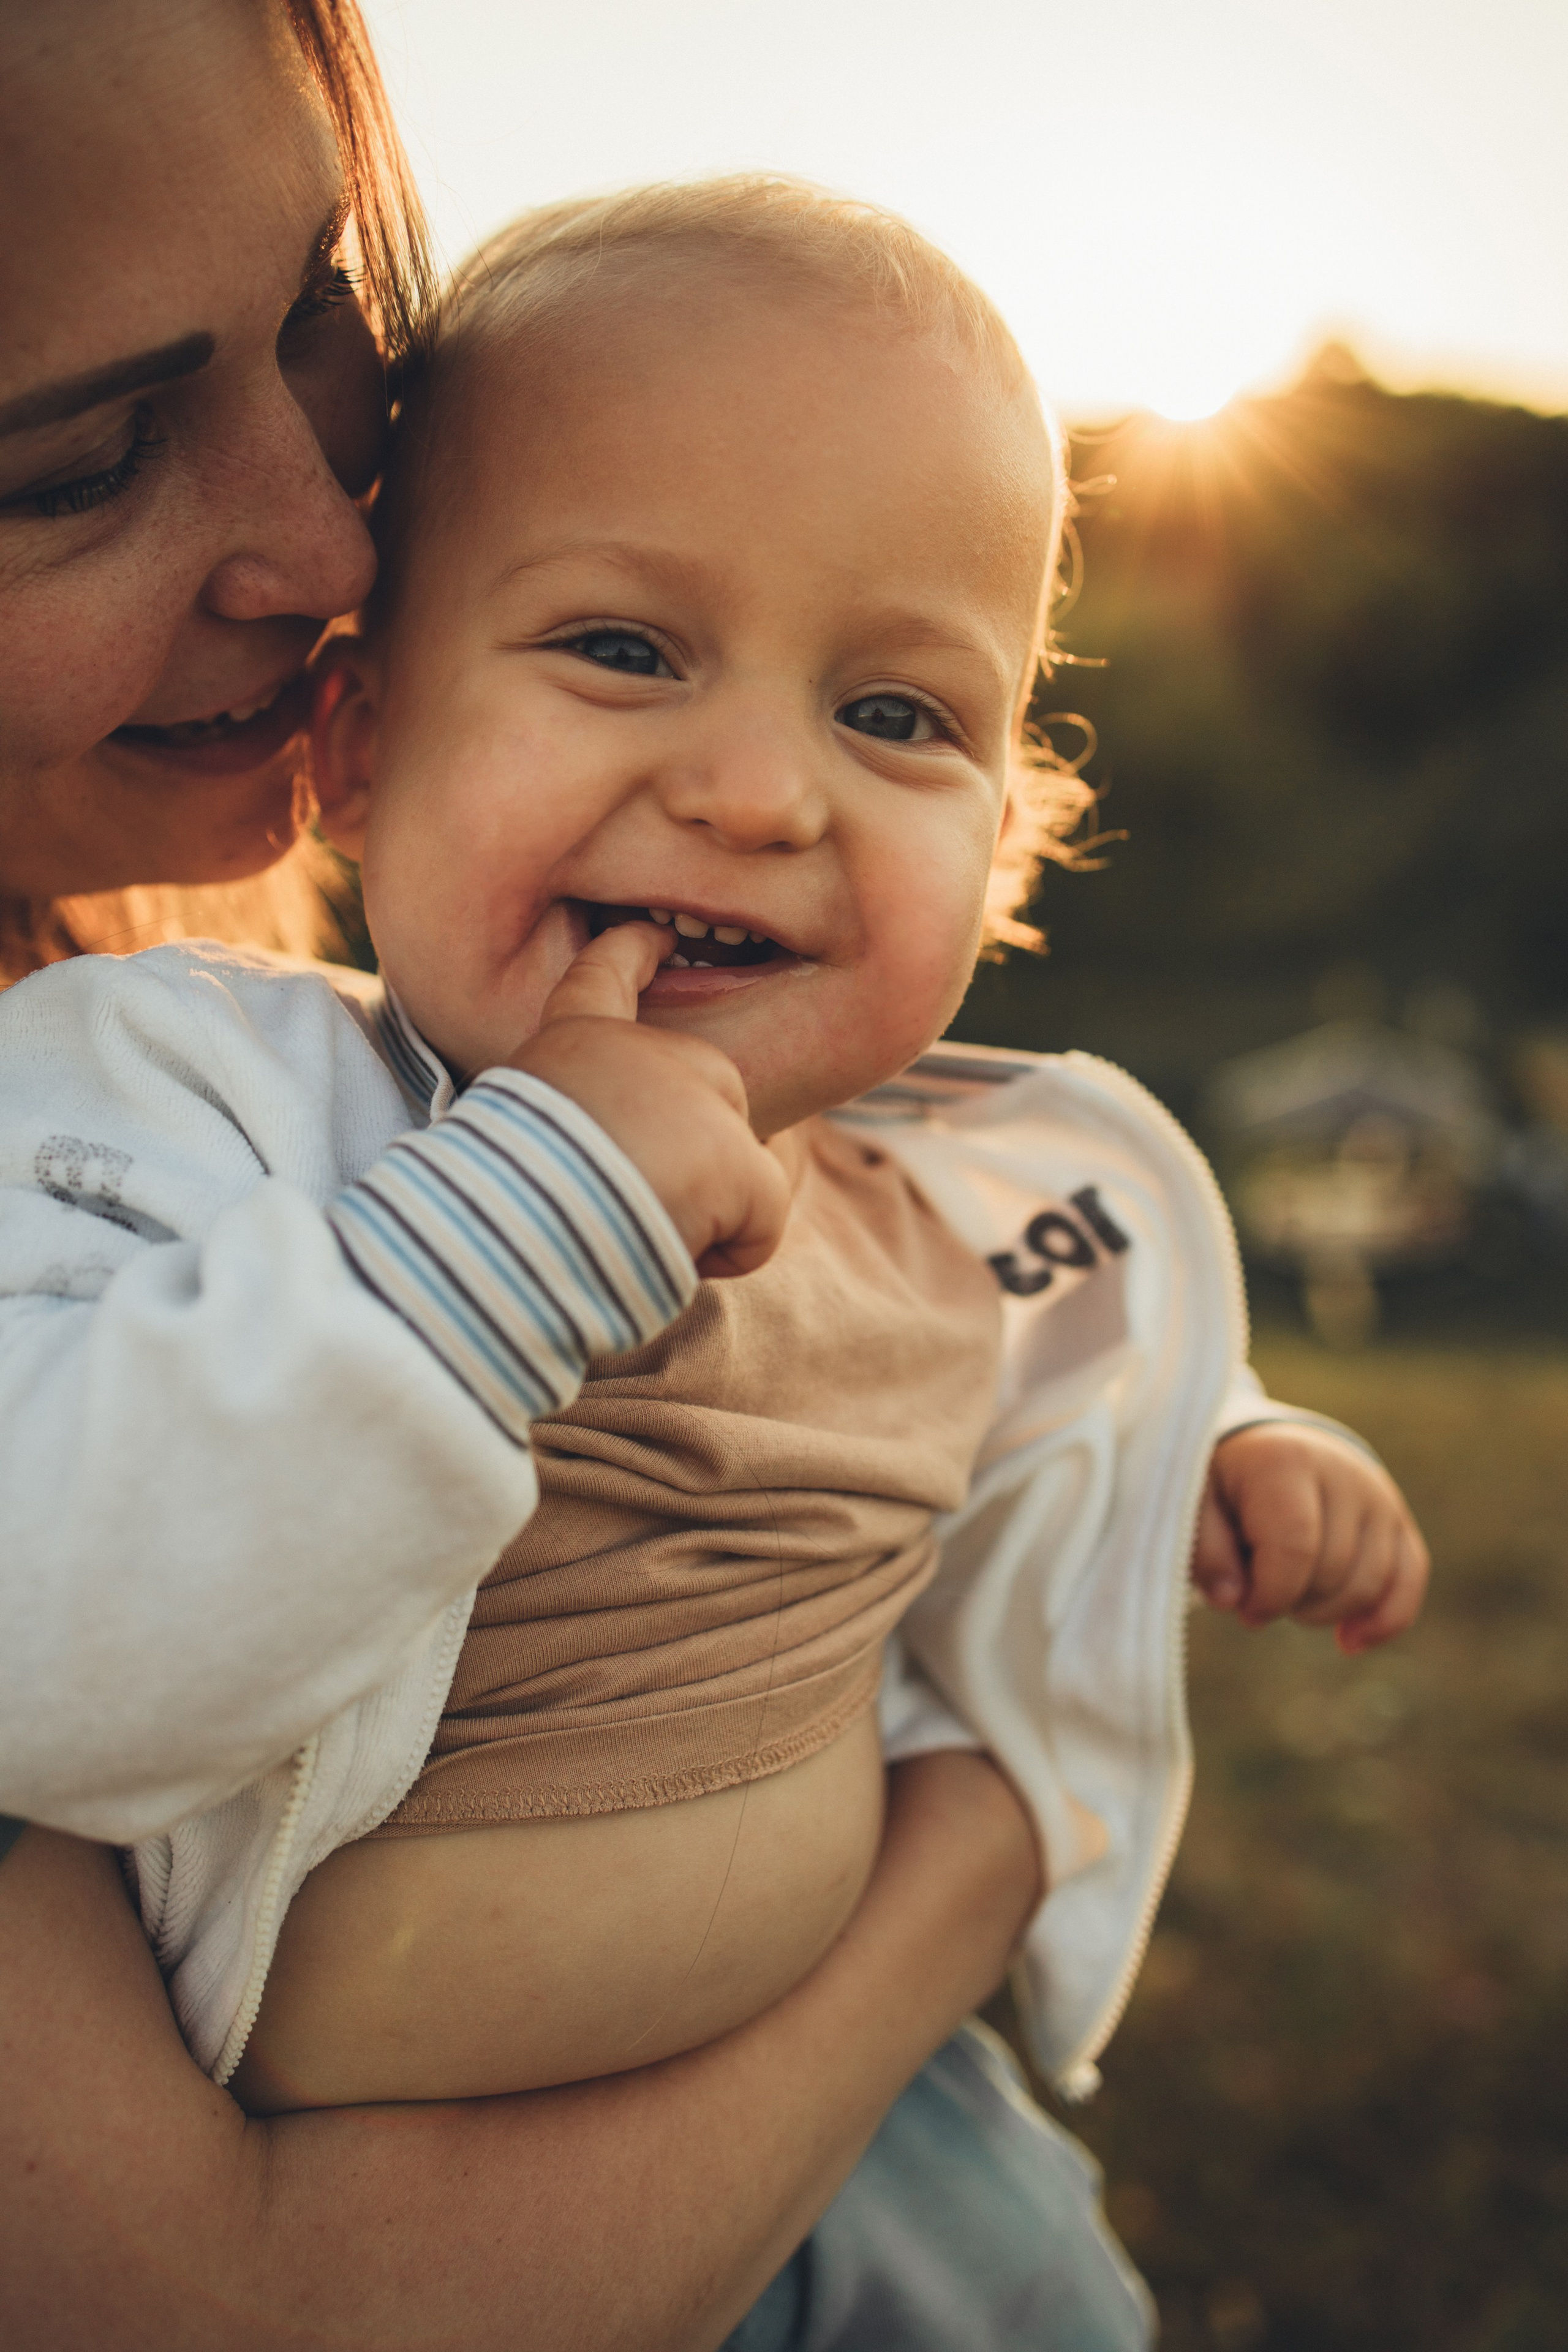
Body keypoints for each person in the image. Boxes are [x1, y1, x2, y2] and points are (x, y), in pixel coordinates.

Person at [0, 170, 1427, 2352]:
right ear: (360, 742)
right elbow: (52, 1625)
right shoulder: (180, 1108)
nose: (760, 791)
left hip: (910, 2150)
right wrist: (542, 1195)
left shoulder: (950, 1192)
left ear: (1011, 833)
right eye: (624, 650)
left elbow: (1071, 1378)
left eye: (899, 715)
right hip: (412, 2197)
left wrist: (1223, 1440)